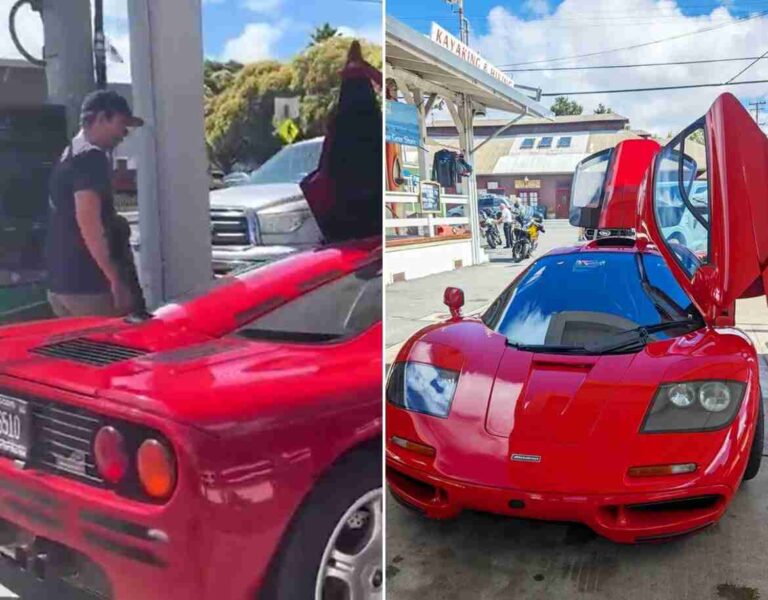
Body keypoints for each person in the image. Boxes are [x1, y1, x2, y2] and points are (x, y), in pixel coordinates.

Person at [45, 89, 145, 318]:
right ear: (101, 118)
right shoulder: (91, 158)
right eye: (122, 123)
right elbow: (88, 222)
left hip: (61, 285)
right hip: (89, 286)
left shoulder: (67, 155)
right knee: (117, 350)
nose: (124, 133)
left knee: (78, 352)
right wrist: (115, 279)